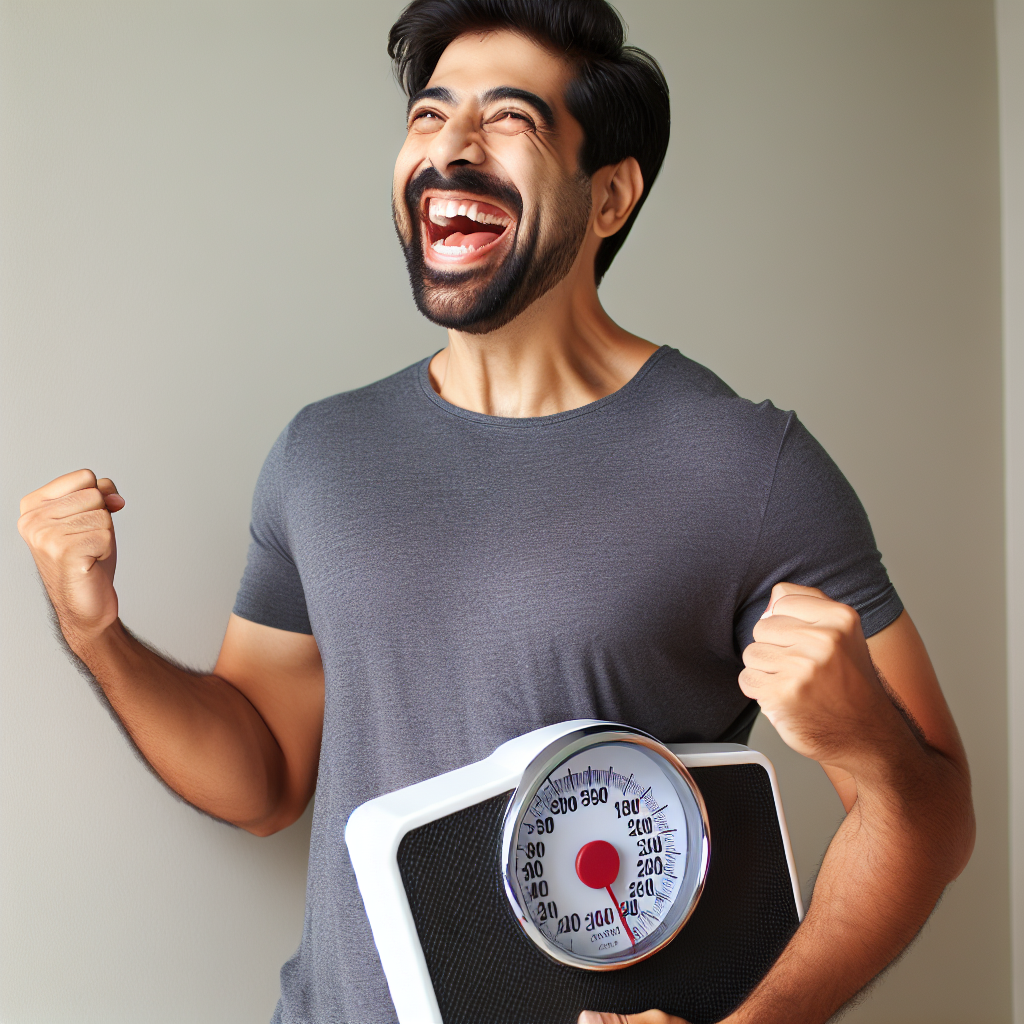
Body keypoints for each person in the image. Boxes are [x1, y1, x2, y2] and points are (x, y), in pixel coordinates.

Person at [17, 2, 974, 1022]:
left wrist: (864, 741)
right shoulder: (321, 454)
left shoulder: (746, 464)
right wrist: (96, 632)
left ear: (608, 197)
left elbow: (929, 815)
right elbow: (264, 777)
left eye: (509, 120)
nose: (450, 148)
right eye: (429, 117)